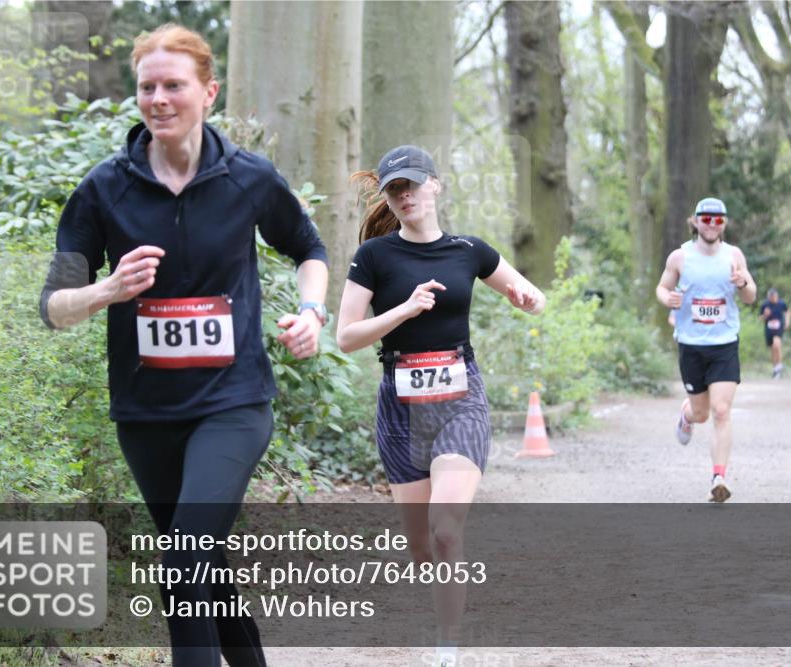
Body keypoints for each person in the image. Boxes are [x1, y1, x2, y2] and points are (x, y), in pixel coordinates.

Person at [39, 24, 329, 666]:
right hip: (146, 415)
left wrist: (312, 310)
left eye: (174, 85)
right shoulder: (103, 188)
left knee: (184, 556)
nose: (159, 99)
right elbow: (54, 308)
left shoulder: (249, 179)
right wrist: (106, 289)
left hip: (234, 402)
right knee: (201, 560)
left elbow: (309, 249)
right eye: (148, 87)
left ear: (208, 92)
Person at [336, 145, 545, 667]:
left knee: (447, 529)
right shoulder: (375, 257)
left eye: (411, 184)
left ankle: (446, 648)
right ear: (388, 197)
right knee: (422, 549)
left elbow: (529, 291)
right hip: (400, 405)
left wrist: (528, 298)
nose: (404, 195)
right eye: (394, 189)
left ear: (435, 185)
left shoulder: (468, 250)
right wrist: (403, 311)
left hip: (460, 398)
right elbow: (345, 337)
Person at [655, 197, 756, 502]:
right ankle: (686, 416)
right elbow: (661, 287)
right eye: (706, 219)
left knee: (721, 410)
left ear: (724, 223)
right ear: (695, 221)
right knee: (701, 413)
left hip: (724, 344)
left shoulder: (733, 255)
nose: (712, 224)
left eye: (718, 220)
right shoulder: (680, 257)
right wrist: (667, 299)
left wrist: (742, 283)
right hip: (691, 344)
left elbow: (751, 296)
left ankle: (719, 478)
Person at [759, 288, 791, 378]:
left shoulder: (781, 303)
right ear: (769, 297)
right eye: (772, 297)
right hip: (769, 328)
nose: (774, 299)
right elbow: (760, 318)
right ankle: (776, 369)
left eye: (775, 297)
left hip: (779, 327)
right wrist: (765, 315)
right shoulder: (765, 305)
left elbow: (787, 311)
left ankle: (779, 365)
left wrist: (787, 321)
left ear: (777, 296)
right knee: (772, 349)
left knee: (777, 345)